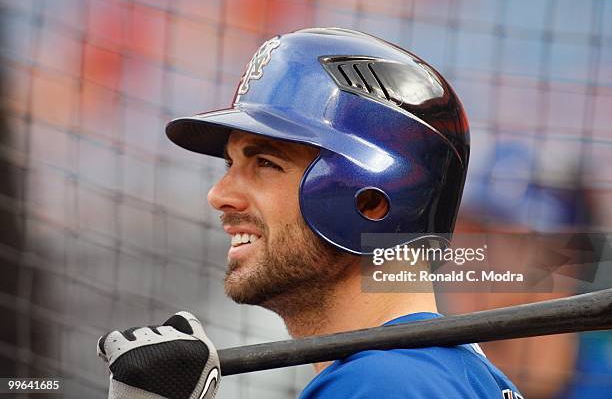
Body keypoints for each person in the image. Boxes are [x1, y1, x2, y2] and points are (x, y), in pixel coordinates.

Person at [97, 28, 521, 398]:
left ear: (371, 199)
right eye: (230, 165)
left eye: (265, 163)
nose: (219, 194)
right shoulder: (458, 374)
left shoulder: (378, 383)